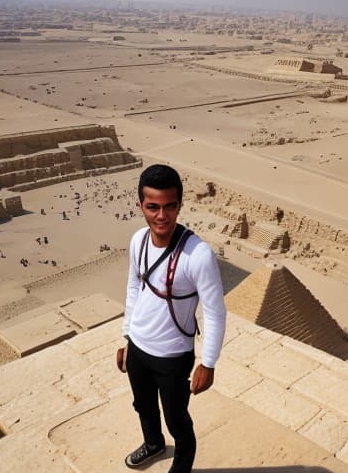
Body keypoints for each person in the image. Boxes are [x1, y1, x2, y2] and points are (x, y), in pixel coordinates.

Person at [117, 164, 226, 473]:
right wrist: (127, 337)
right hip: (139, 347)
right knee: (144, 407)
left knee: (177, 421)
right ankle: (152, 444)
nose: (161, 216)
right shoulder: (138, 240)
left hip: (172, 356)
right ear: (140, 205)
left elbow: (216, 312)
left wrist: (208, 362)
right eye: (152, 207)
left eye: (169, 206)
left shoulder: (198, 255)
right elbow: (134, 287)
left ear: (180, 204)